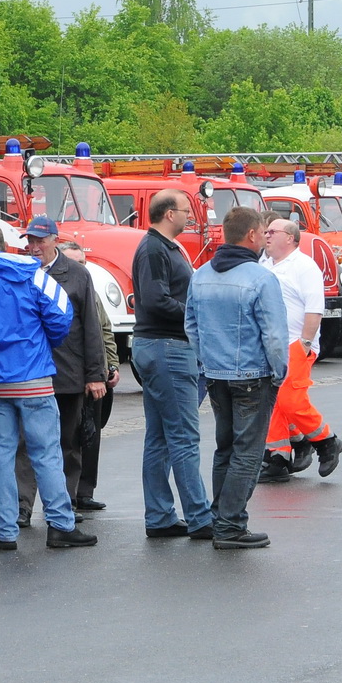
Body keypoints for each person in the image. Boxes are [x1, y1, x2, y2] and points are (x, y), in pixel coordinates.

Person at [0, 220, 94, 551]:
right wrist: (44, 343)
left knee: (1, 455)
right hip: (33, 377)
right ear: (4, 245)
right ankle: (60, 525)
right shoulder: (33, 274)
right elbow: (63, 314)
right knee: (46, 452)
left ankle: (5, 531)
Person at [184, 207, 289, 548]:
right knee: (247, 452)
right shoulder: (261, 278)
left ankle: (221, 518)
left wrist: (208, 361)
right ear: (252, 236)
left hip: (216, 373)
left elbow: (191, 327)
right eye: (262, 232)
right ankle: (230, 525)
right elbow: (274, 335)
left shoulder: (200, 274)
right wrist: (279, 372)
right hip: (251, 374)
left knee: (225, 448)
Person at [130, 190, 212, 540]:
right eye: (185, 211)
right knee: (182, 436)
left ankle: (161, 516)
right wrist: (196, 315)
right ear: (168, 214)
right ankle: (200, 516)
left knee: (161, 437)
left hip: (160, 345)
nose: (189, 217)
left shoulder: (161, 248)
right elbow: (155, 299)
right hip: (166, 346)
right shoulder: (153, 249)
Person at [14, 216, 107, 525]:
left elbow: (92, 327)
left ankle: (63, 505)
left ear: (54, 239)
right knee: (26, 444)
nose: (35, 246)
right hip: (30, 371)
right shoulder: (21, 272)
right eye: (31, 240)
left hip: (67, 372)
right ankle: (22, 507)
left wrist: (96, 374)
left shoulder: (77, 275)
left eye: (41, 240)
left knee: (67, 443)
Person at [258, 217, 342, 481]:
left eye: (273, 231)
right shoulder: (263, 264)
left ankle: (326, 440)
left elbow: (314, 308)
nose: (267, 235)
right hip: (269, 343)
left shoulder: (305, 267)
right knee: (271, 401)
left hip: (295, 342)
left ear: (291, 238)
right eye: (266, 231)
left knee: (290, 399)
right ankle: (278, 454)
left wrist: (305, 343)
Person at [59, 240, 119, 512]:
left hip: (96, 374)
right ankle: (66, 496)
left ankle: (85, 492)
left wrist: (113, 365)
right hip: (70, 376)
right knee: (69, 439)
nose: (80, 268)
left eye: (83, 263)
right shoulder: (56, 292)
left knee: (91, 437)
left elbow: (105, 330)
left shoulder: (91, 292)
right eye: (74, 263)